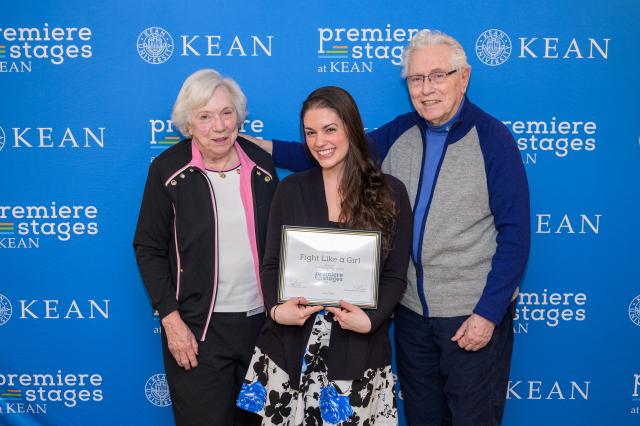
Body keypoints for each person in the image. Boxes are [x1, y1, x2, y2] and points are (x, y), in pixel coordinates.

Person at [245, 30, 530, 426]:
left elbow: (516, 233)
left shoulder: (494, 140)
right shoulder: (401, 132)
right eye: (416, 79)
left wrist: (488, 312)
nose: (426, 89)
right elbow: (332, 149)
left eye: (438, 76)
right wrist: (249, 144)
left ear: (463, 77)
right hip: (412, 316)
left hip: (469, 315)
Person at [236, 86, 412, 425]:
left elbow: (394, 275)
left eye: (330, 129)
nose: (320, 142)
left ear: (352, 129)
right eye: (311, 133)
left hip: (358, 351)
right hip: (289, 349)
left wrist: (371, 320)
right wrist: (276, 308)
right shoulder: (291, 190)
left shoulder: (390, 193)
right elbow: (272, 262)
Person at [133, 69, 278, 425]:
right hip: (197, 331)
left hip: (261, 328)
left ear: (239, 117)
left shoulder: (262, 167)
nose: (219, 126)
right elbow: (148, 247)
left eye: (227, 113)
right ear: (188, 123)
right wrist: (171, 321)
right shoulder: (168, 171)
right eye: (205, 116)